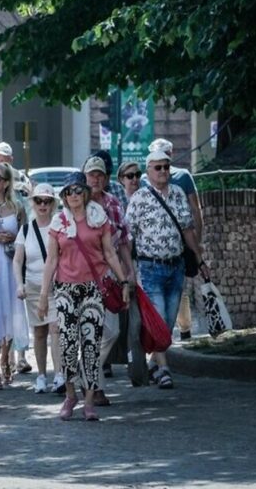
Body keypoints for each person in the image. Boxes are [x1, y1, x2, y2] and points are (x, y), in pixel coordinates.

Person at [39, 172, 130, 421]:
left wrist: (124, 281)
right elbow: (52, 260)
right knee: (68, 345)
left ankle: (89, 401)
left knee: (90, 344)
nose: (74, 196)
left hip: (93, 287)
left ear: (85, 192)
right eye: (69, 192)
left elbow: (110, 253)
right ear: (64, 196)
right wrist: (44, 295)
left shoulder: (98, 218)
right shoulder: (58, 222)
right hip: (66, 289)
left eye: (78, 190)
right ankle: (70, 396)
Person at [126, 150, 209, 389]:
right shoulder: (139, 198)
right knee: (159, 320)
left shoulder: (179, 194)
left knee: (169, 321)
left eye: (166, 167)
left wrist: (199, 259)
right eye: (158, 167)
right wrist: (128, 270)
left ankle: (154, 361)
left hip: (176, 266)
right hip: (150, 266)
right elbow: (128, 236)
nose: (163, 171)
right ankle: (164, 368)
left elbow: (187, 230)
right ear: (148, 171)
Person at [83, 156, 135, 406]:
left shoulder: (113, 203)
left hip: (110, 276)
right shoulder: (77, 204)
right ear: (84, 177)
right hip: (82, 276)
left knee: (112, 331)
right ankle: (96, 388)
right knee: (91, 330)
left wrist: (129, 273)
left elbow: (123, 241)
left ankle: (87, 373)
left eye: (99, 174)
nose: (95, 178)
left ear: (105, 178)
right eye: (91, 174)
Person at [146, 138, 204, 341]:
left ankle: (185, 327)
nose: (162, 167)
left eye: (165, 159)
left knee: (180, 290)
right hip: (154, 251)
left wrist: (198, 240)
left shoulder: (183, 177)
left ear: (171, 155)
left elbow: (195, 209)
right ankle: (163, 337)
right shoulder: (146, 182)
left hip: (181, 242)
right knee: (161, 293)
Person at [13, 184, 64, 394]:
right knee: (40, 332)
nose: (43, 205)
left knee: (56, 328)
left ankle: (59, 374)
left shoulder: (60, 225)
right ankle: (42, 376)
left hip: (56, 286)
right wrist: (19, 284)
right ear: (32, 203)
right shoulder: (26, 229)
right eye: (38, 200)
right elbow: (17, 261)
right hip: (33, 286)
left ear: (53, 203)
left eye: (47, 200)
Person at [0, 162, 29, 388]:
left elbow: (26, 234)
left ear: (7, 182)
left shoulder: (18, 206)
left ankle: (6, 358)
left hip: (11, 266)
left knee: (11, 313)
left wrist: (14, 238)